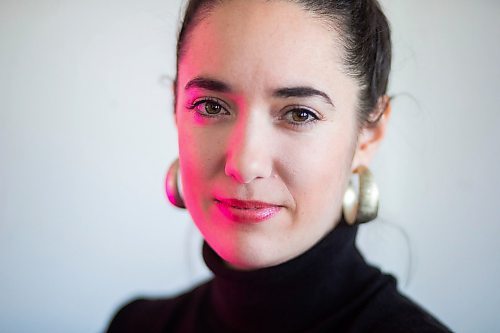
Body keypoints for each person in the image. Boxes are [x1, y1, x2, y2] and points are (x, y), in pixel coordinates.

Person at [107, 0, 451, 332]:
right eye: (211, 106)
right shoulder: (134, 325)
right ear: (175, 109)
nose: (245, 165)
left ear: (368, 135)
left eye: (299, 114)